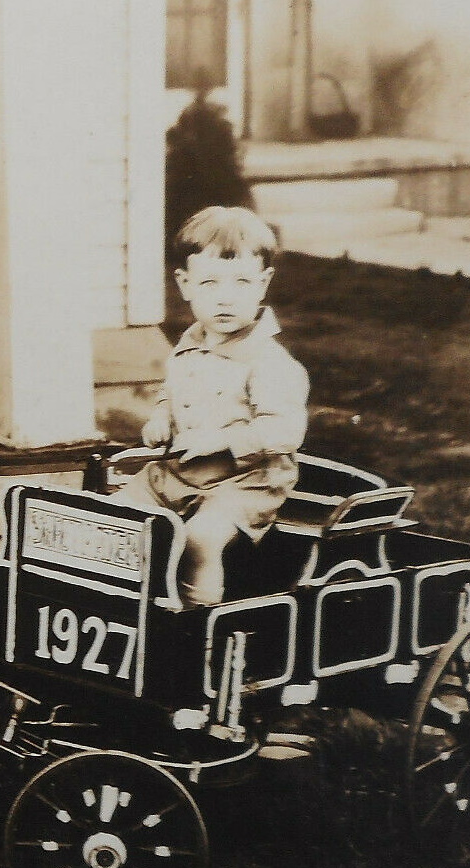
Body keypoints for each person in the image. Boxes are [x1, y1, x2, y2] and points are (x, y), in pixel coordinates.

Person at [116, 206, 309, 607]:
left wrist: (221, 440)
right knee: (117, 517)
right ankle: (125, 604)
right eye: (209, 283)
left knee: (200, 538)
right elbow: (172, 393)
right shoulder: (187, 348)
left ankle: (198, 620)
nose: (225, 298)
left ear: (263, 284)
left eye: (242, 283)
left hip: (245, 483)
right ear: (185, 284)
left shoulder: (269, 362)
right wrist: (160, 418)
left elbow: (285, 430)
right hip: (179, 474)